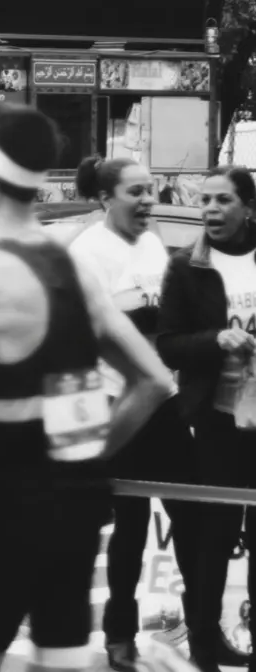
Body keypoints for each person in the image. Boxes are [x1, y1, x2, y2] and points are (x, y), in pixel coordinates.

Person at [0, 102, 174, 672]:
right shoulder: (73, 267)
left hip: (3, 499)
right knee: (59, 658)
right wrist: (91, 453)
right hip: (77, 498)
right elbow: (153, 381)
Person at [66, 156, 208, 670]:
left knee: (191, 519)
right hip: (117, 402)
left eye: (151, 190)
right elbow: (84, 333)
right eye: (136, 192)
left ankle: (204, 630)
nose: (148, 200)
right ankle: (118, 636)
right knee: (129, 525)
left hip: (163, 399)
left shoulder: (151, 243)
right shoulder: (86, 252)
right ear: (106, 198)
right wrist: (145, 319)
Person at [153, 164, 256, 672]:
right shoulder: (185, 267)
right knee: (213, 538)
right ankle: (203, 644)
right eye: (206, 200)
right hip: (215, 423)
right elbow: (168, 344)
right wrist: (216, 340)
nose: (211, 209)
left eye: (223, 200)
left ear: (248, 208)